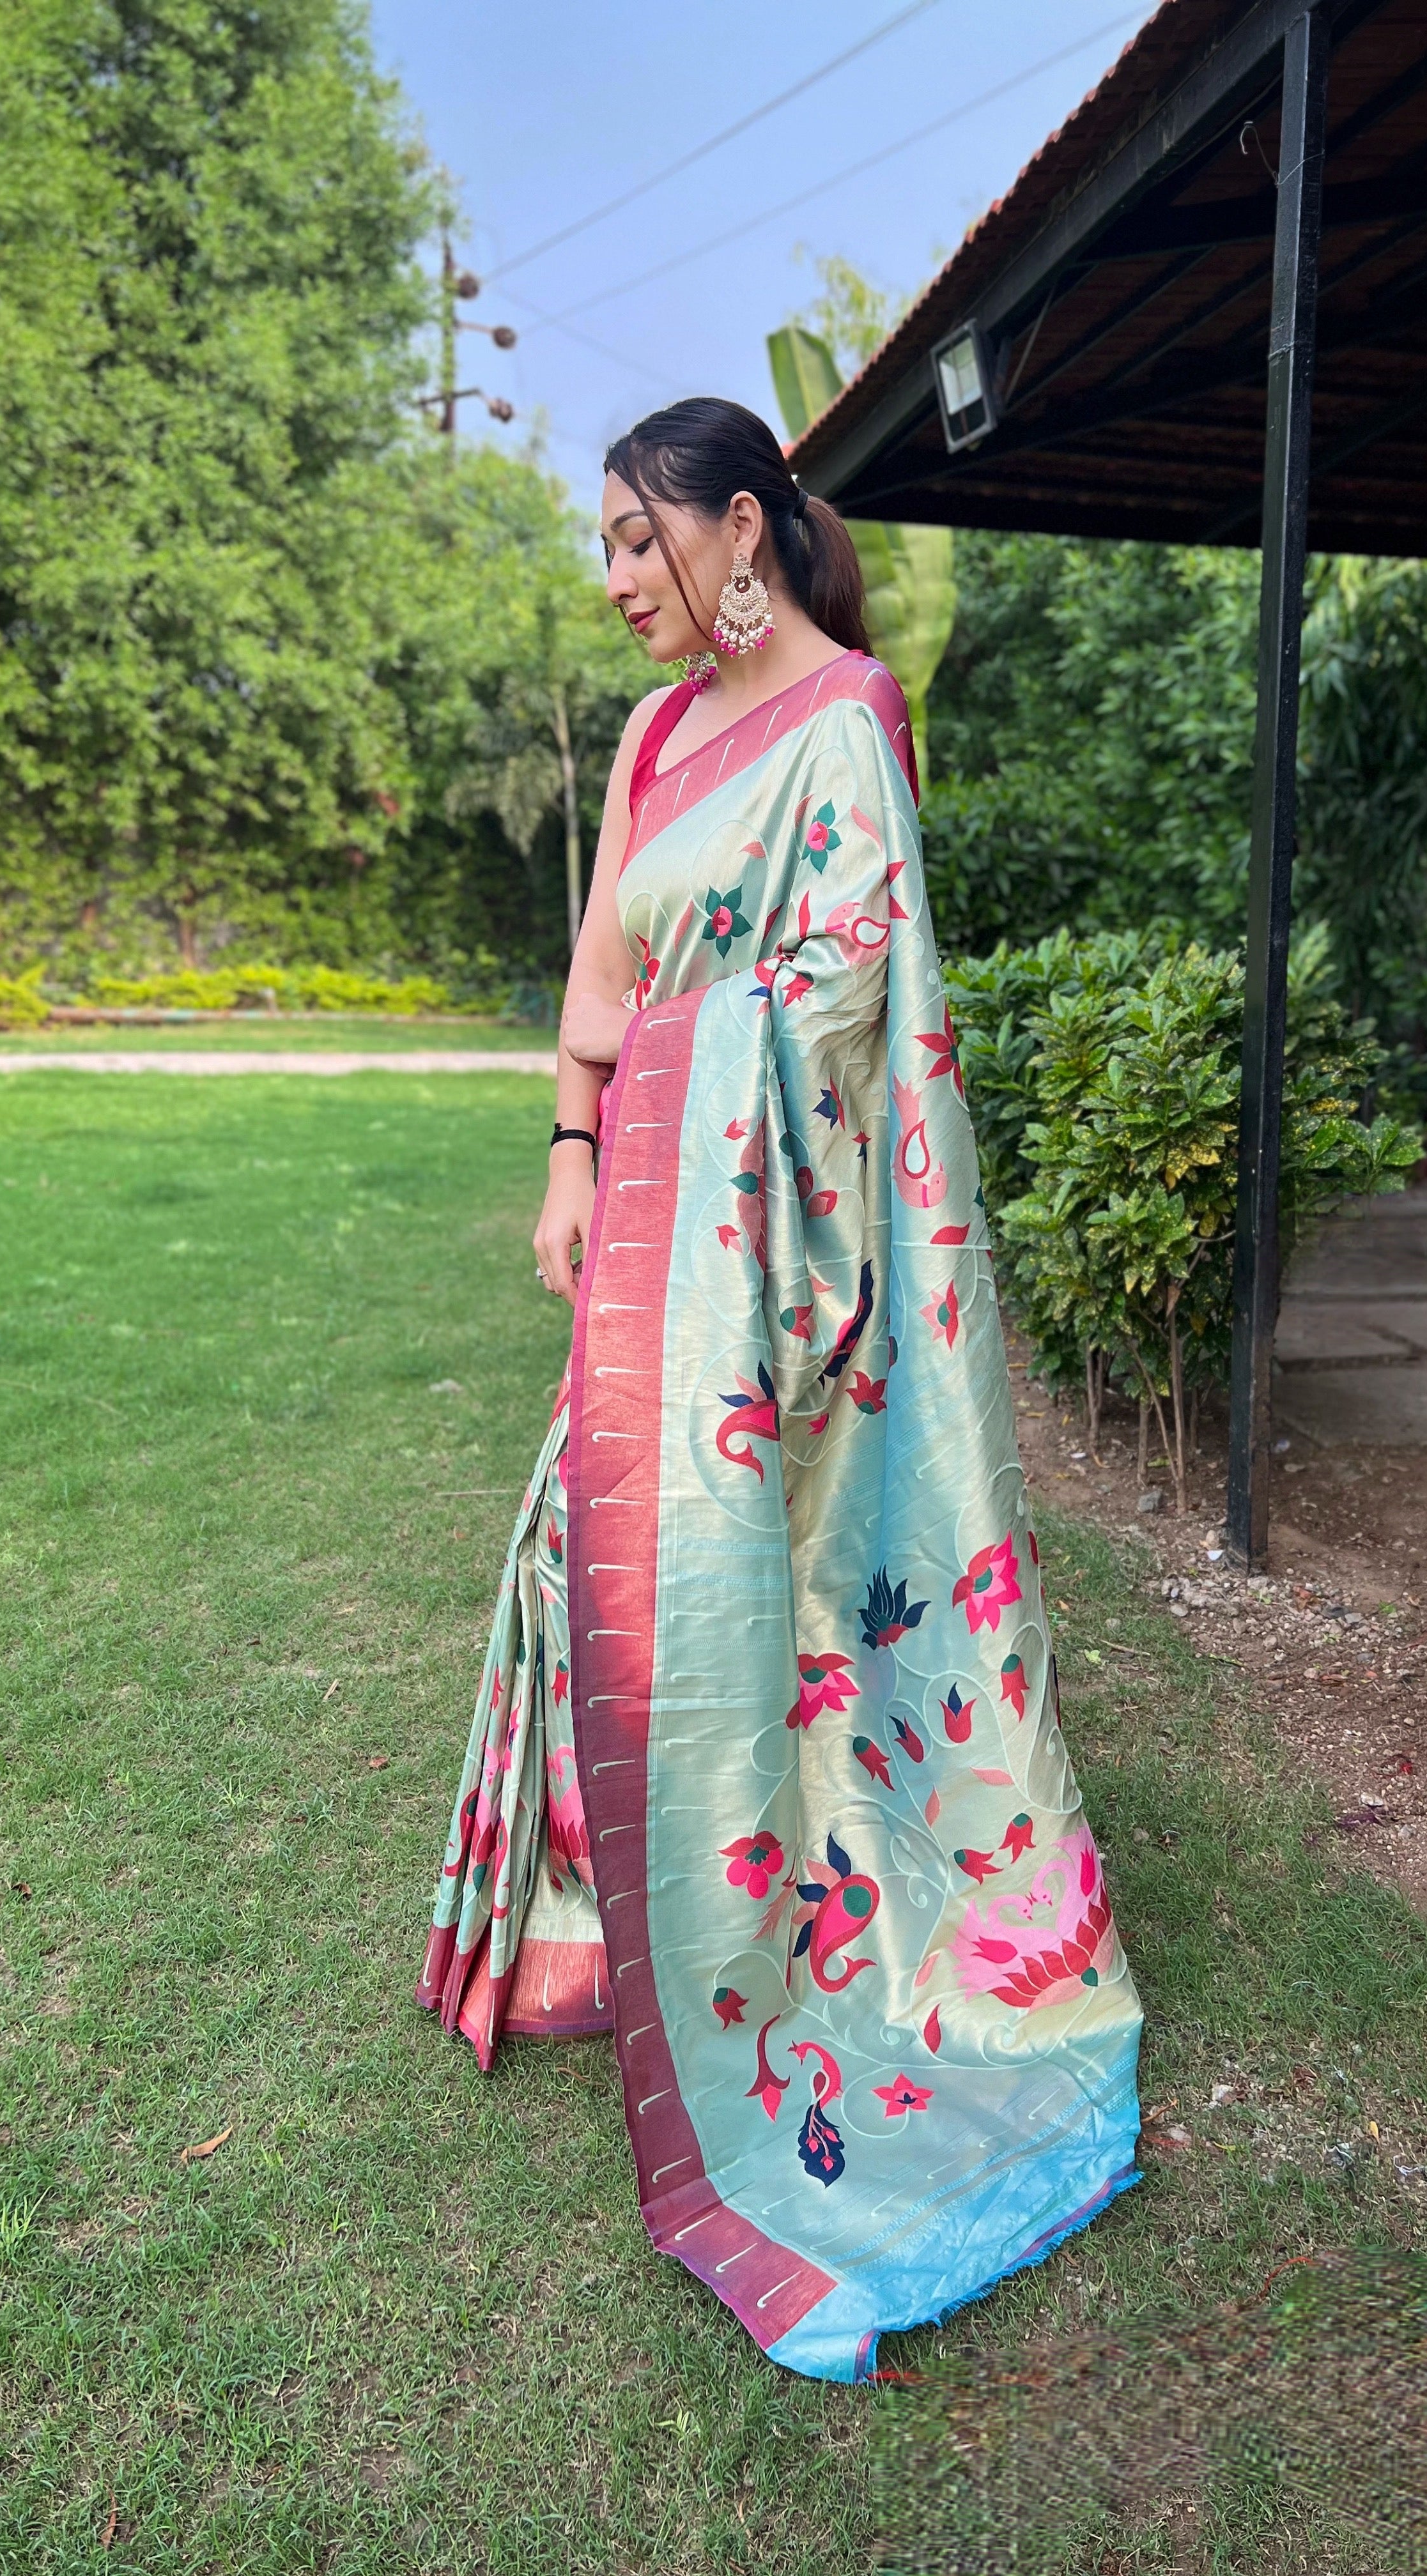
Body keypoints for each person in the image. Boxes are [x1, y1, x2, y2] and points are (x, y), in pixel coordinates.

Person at [417, 397, 1141, 2383]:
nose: (616, 579)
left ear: (742, 530)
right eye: (604, 546)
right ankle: (604, 1935)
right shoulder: (656, 740)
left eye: (638, 540)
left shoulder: (848, 723)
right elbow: (607, 982)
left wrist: (675, 1098)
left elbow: (847, 1008)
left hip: (792, 1268)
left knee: (779, 1602)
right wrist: (573, 1152)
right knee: (588, 1553)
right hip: (654, 1244)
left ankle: (803, 1944)